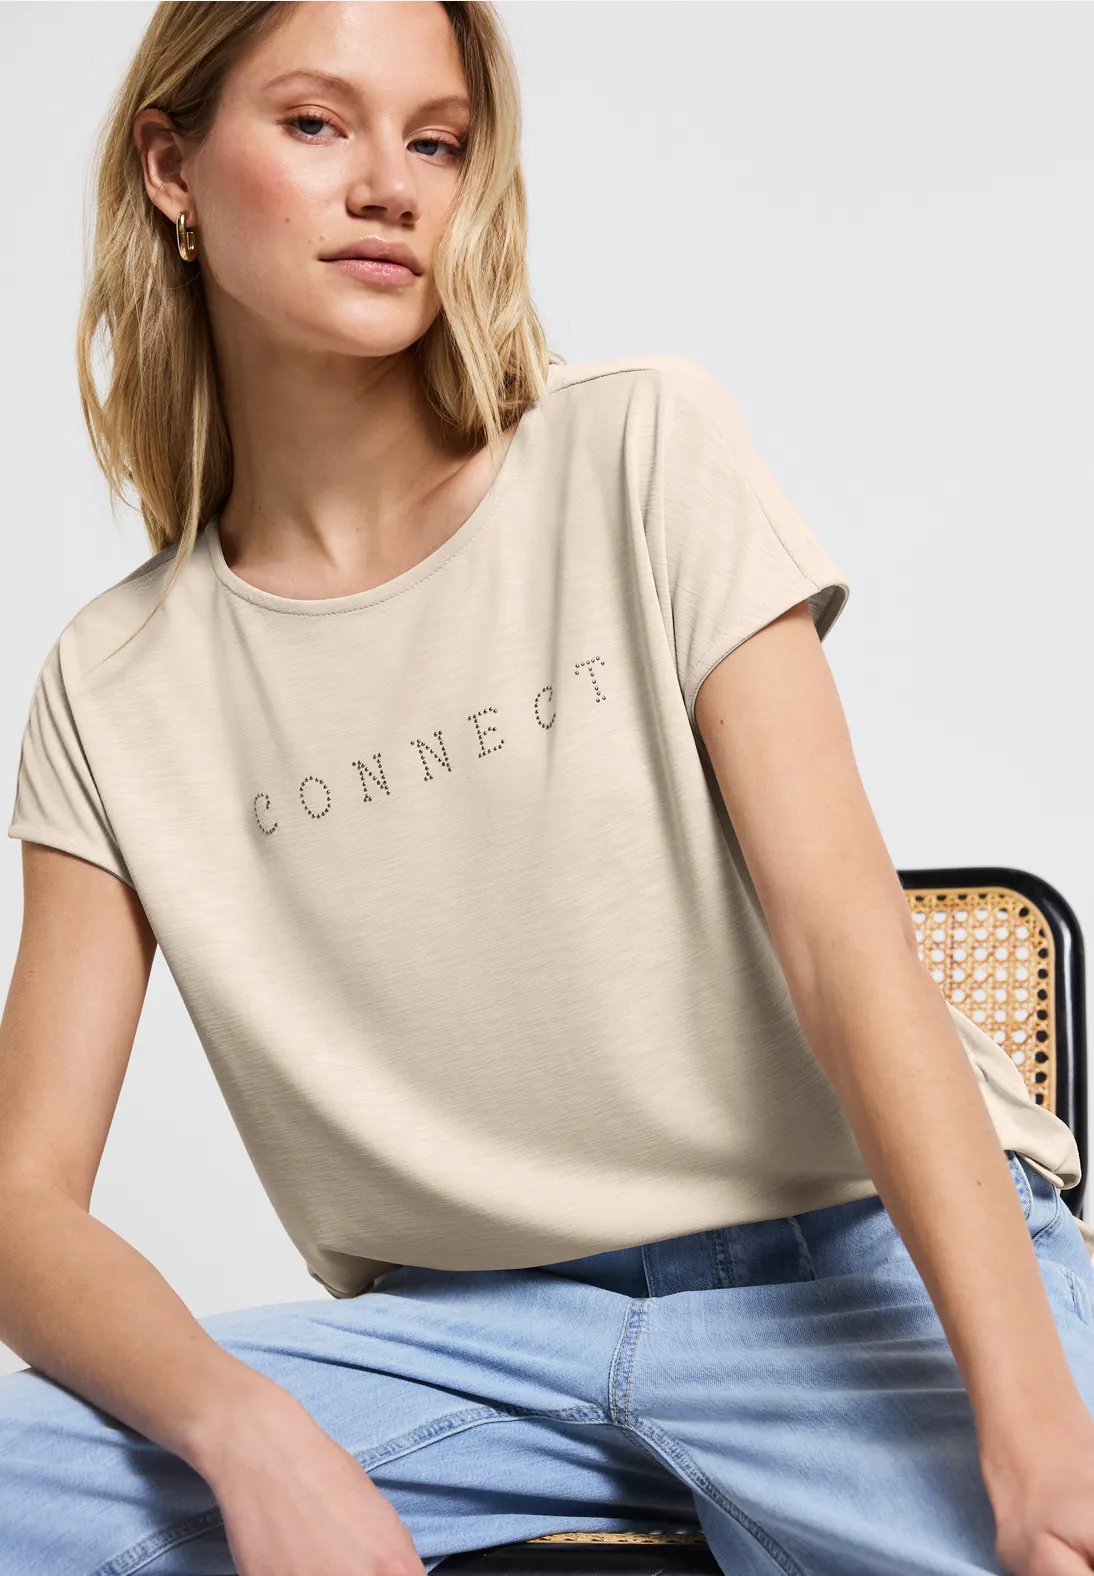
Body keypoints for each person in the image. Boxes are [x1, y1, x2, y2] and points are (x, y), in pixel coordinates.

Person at [1, 2, 1093, 1574]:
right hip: (474, 1347)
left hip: (845, 1278)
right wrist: (245, 1431)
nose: (389, 186)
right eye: (314, 124)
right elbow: (24, 1199)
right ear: (170, 168)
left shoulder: (636, 445)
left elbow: (846, 950)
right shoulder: (111, 685)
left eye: (436, 141)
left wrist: (1034, 1423)